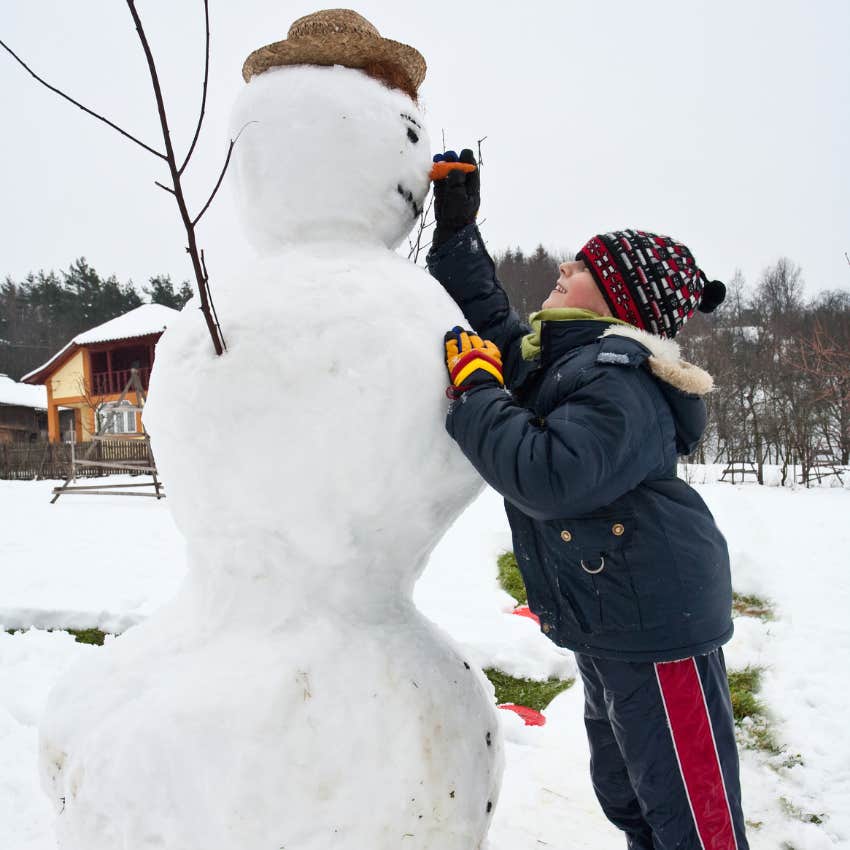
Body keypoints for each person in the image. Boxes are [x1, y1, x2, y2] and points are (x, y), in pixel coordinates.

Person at [427, 149, 749, 850]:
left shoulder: (619, 377)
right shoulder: (571, 361)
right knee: (633, 799)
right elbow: (497, 324)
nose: (559, 272)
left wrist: (478, 390)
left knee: (696, 823)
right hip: (613, 625)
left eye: (575, 269)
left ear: (615, 298)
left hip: (659, 628)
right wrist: (458, 234)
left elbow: (552, 476)